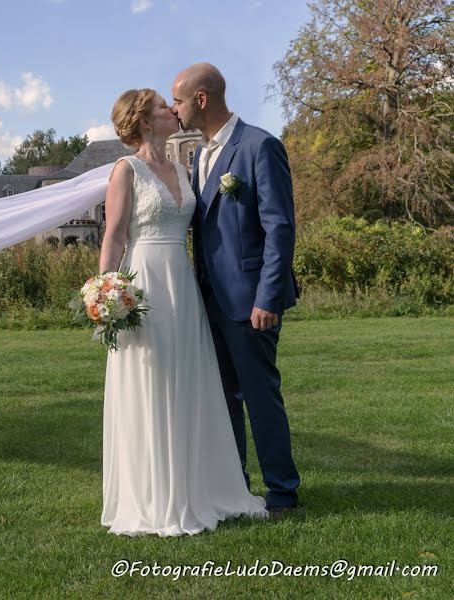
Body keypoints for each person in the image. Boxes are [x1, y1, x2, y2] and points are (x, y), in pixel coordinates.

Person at [99, 88, 269, 537]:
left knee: (190, 380)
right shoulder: (125, 171)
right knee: (152, 379)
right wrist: (107, 290)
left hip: (184, 285)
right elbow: (114, 236)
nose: (171, 110)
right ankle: (155, 494)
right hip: (145, 283)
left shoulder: (182, 167)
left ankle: (200, 485)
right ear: (141, 120)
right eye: (161, 107)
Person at [170, 63, 302, 518]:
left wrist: (268, 296)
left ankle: (283, 493)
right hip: (206, 299)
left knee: (260, 395)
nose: (175, 109)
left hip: (249, 300)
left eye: (179, 101)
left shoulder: (259, 145)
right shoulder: (198, 157)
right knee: (224, 398)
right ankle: (236, 488)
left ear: (201, 99)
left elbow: (279, 227)